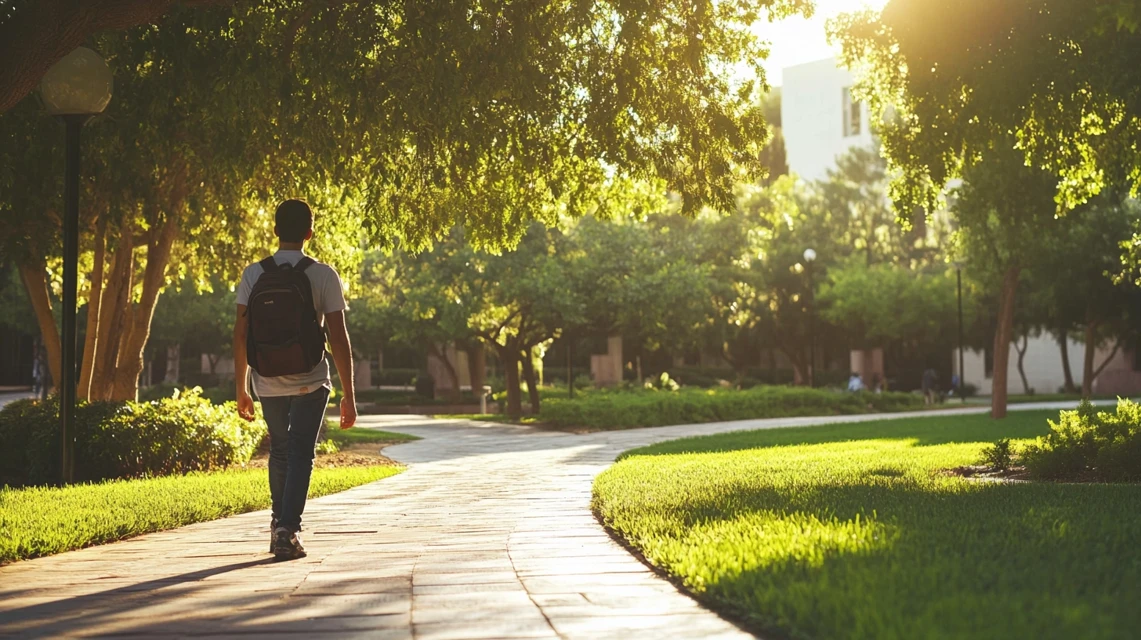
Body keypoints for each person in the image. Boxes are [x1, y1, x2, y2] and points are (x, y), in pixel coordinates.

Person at [233, 199, 357, 561]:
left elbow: (240, 333)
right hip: (311, 379)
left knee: (280, 450)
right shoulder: (323, 275)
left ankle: (279, 525)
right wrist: (349, 394)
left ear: (275, 231)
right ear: (309, 233)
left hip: (266, 379)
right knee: (301, 452)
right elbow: (338, 337)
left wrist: (241, 388)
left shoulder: (253, 274)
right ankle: (287, 530)